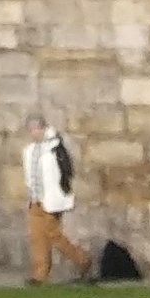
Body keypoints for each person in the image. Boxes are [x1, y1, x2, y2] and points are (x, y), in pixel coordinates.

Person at [23, 113, 93, 285]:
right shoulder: (30, 150)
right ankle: (40, 274)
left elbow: (64, 172)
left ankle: (82, 260)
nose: (34, 133)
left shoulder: (55, 147)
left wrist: (61, 196)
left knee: (53, 235)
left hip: (52, 200)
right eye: (31, 130)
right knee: (37, 237)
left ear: (43, 128)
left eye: (36, 129)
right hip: (35, 199)